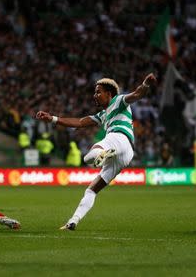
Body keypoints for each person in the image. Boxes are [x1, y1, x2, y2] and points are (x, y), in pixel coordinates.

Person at [36, 73, 157, 230]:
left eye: (98, 92)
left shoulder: (119, 100)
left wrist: (146, 83)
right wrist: (53, 118)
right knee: (91, 190)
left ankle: (104, 153)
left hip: (120, 138)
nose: (95, 95)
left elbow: (137, 94)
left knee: (88, 158)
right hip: (125, 155)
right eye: (95, 92)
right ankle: (73, 221)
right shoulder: (102, 114)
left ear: (109, 93)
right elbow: (79, 122)